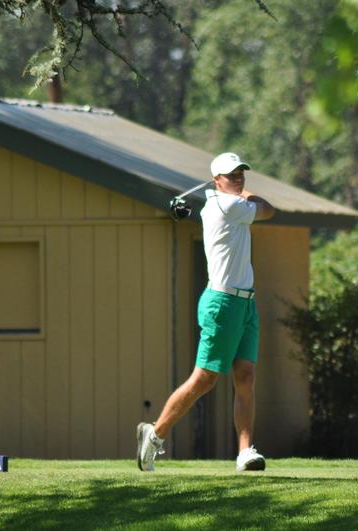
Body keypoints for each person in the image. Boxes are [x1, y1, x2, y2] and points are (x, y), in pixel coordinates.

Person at [137, 152, 275, 472]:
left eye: (241, 173)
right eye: (231, 175)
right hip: (223, 303)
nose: (238, 178)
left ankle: (245, 453)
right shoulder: (227, 206)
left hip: (245, 302)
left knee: (245, 376)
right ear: (216, 180)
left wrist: (231, 189)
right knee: (204, 379)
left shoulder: (225, 201)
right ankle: (154, 435)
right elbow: (268, 209)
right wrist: (242, 192)